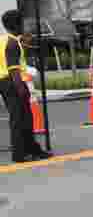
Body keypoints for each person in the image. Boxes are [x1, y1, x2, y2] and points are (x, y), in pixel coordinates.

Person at [0, 9, 50, 162]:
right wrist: (22, 89)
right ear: (17, 24)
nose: (24, 25)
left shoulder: (5, 40)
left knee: (23, 118)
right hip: (13, 83)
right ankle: (20, 154)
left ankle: (31, 149)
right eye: (22, 22)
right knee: (20, 119)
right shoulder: (12, 43)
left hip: (4, 82)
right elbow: (13, 69)